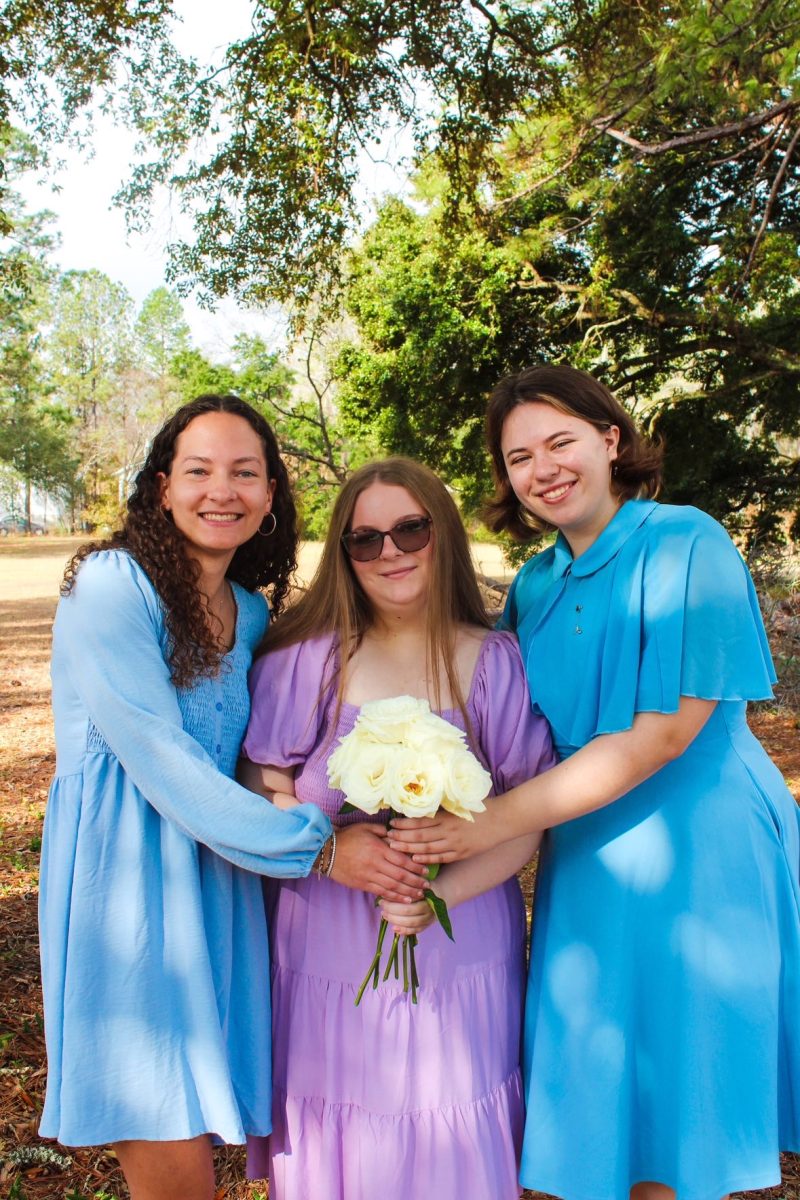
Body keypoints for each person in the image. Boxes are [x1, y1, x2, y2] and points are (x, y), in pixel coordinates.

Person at [389, 364, 800, 1200]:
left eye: (560, 442)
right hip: (586, 863)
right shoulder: (536, 584)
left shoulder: (687, 541)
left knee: (680, 1112)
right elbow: (500, 723)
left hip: (696, 851)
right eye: (518, 457)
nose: (543, 468)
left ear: (611, 440)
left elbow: (661, 736)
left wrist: (487, 825)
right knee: (612, 1105)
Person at [38, 396, 423, 1200]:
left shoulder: (249, 613)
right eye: (200, 471)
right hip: (129, 891)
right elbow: (162, 757)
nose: (225, 490)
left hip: (223, 882)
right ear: (160, 488)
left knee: (209, 1138)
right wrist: (318, 849)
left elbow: (262, 757)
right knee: (170, 1148)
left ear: (273, 494)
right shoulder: (114, 587)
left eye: (247, 472)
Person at [239, 456, 556, 1200]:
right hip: (326, 946)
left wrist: (434, 892)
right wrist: (323, 852)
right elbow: (261, 783)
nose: (391, 552)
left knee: (449, 1127)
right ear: (343, 555)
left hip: (459, 943)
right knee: (344, 1128)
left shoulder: (494, 662)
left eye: (410, 529)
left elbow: (526, 814)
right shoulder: (304, 656)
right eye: (365, 539)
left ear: (441, 534)